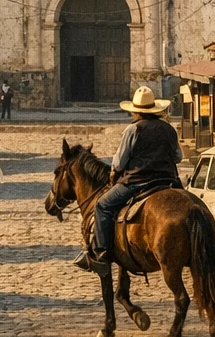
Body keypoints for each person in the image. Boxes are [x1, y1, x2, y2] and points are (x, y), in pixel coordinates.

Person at [77, 86, 183, 273]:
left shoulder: (133, 130)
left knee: (102, 205)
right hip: (168, 181)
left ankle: (101, 252)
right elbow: (178, 157)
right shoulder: (169, 129)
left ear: (136, 112)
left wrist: (113, 174)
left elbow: (119, 162)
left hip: (138, 181)